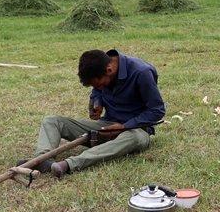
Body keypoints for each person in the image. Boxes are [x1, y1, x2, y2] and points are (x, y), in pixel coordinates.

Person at [31, 49, 165, 177]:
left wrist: (124, 126)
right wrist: (97, 101)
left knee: (134, 138)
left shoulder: (141, 72)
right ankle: (42, 160)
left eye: (99, 85)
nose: (98, 88)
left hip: (135, 130)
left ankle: (68, 165)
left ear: (109, 70)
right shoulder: (100, 64)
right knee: (52, 121)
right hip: (106, 128)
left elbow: (157, 110)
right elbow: (97, 91)